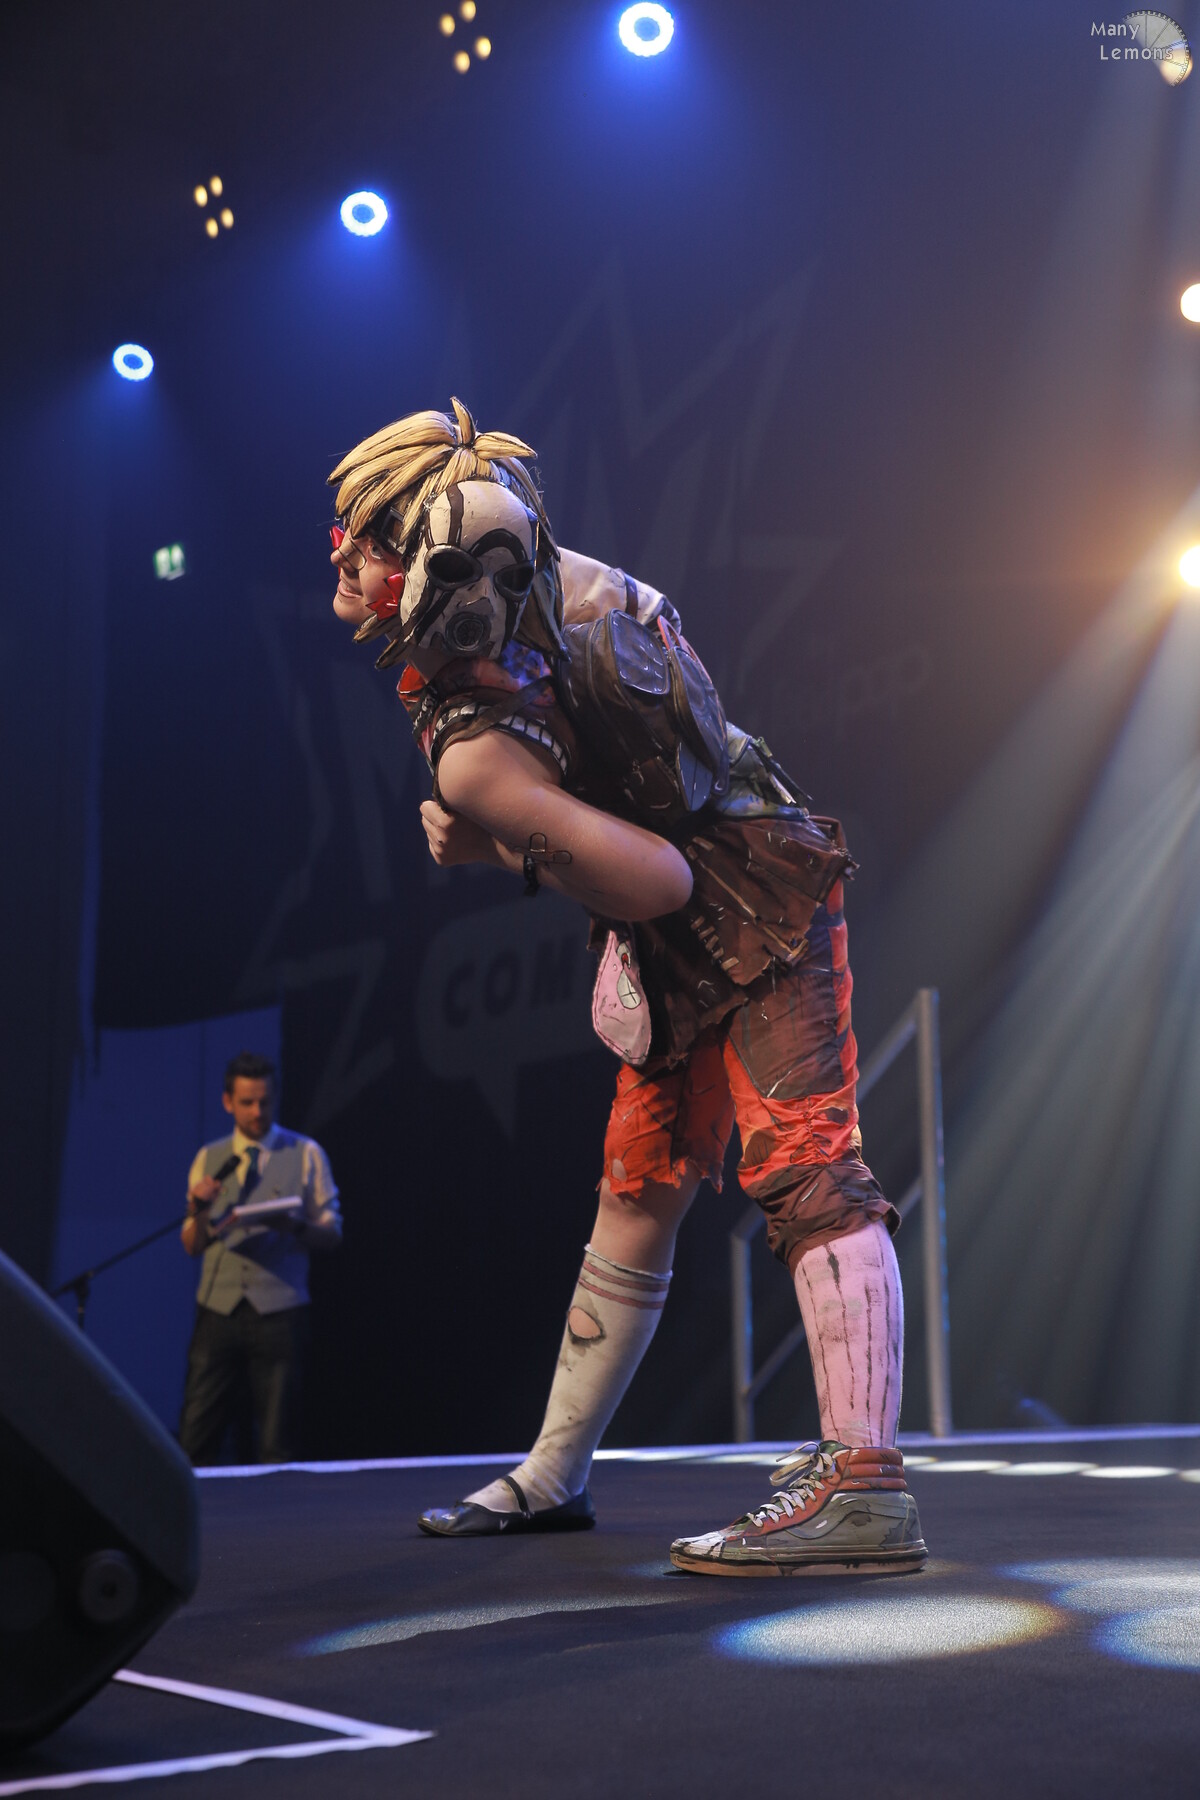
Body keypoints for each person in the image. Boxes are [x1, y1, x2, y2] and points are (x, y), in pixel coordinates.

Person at [324, 400, 926, 1575]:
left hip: (753, 900)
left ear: (438, 559)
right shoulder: (553, 583)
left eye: (371, 537)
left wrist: (494, 844)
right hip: (694, 918)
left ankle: (864, 1486)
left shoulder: (482, 735)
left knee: (808, 1167)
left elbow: (657, 878)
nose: (344, 555)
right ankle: (556, 1473)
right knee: (637, 1190)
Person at [178, 1052, 342, 1465]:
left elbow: (333, 1234)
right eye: (247, 1102)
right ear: (227, 1102)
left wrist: (294, 1225)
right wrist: (200, 1209)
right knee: (196, 1433)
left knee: (276, 1441)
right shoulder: (209, 1157)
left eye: (265, 1101)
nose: (257, 1111)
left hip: (279, 1312)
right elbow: (192, 1245)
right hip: (218, 1310)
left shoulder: (306, 1152)